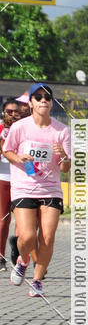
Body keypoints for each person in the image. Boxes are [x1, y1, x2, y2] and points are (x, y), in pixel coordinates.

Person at [3, 83, 71, 297]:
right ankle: (23, 261)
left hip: (51, 189)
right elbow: (8, 151)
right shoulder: (20, 127)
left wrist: (64, 157)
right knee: (27, 236)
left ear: (51, 103)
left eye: (47, 97)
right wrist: (18, 157)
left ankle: (37, 280)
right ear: (31, 103)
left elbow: (65, 167)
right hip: (24, 187)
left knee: (48, 238)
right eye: (38, 97)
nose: (43, 100)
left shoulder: (62, 130)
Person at [0, 98, 26, 270]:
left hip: (22, 179)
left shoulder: (26, 129)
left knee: (24, 222)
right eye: (10, 111)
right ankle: (0, 256)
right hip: (3, 178)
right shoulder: (0, 129)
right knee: (3, 219)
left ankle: (17, 251)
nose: (13, 115)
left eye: (17, 112)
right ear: (4, 113)